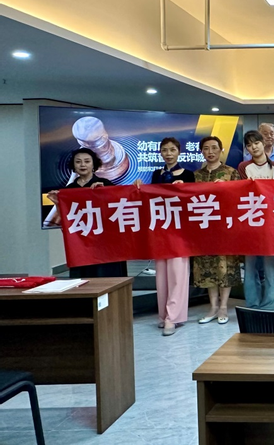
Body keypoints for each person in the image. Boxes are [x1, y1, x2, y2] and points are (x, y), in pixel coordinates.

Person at [47, 148, 128, 279]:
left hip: (105, 240)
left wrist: (106, 192)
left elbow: (120, 206)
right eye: (78, 162)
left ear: (93, 164)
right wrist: (57, 203)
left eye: (87, 161)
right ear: (73, 165)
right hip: (82, 242)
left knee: (106, 276)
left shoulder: (105, 184)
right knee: (83, 278)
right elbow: (66, 220)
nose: (82, 165)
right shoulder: (69, 190)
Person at [143, 138, 194, 335]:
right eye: (164, 150)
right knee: (162, 275)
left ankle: (173, 317)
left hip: (180, 230)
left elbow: (194, 201)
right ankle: (163, 314)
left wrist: (184, 189)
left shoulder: (188, 175)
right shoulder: (157, 174)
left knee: (177, 274)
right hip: (160, 229)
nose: (168, 154)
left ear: (179, 152)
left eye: (172, 150)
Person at [193, 136, 243, 325]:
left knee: (225, 266)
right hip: (203, 229)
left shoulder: (231, 172)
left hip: (225, 228)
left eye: (214, 147)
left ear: (221, 150)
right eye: (206, 148)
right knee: (207, 267)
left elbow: (239, 199)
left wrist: (226, 189)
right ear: (202, 152)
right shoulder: (196, 175)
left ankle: (223, 307)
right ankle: (213, 307)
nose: (210, 151)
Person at [237, 130, 274, 310]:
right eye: (249, 145)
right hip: (251, 222)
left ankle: (269, 304)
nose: (253, 147)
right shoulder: (244, 167)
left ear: (263, 143)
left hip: (272, 224)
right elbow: (243, 191)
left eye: (256, 143)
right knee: (250, 267)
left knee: (272, 268)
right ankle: (252, 304)